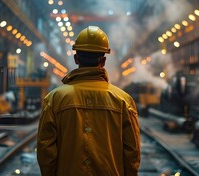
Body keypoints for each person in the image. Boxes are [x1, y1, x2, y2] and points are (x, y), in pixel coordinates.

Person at [37, 26, 141, 176]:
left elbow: (45, 151)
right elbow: (132, 153)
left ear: (76, 59)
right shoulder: (123, 101)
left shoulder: (54, 99)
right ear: (103, 61)